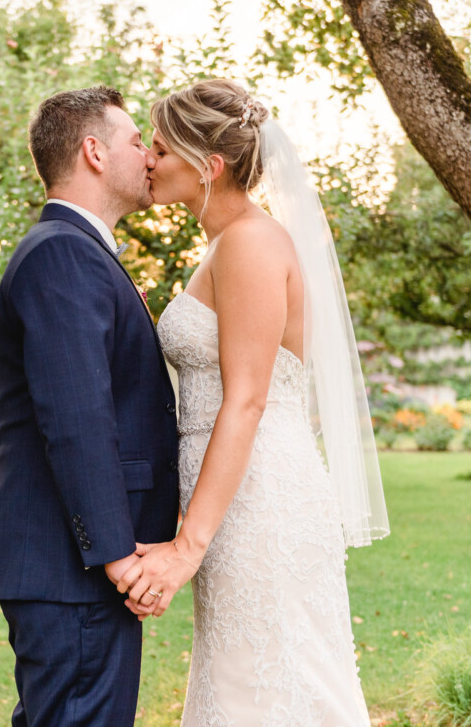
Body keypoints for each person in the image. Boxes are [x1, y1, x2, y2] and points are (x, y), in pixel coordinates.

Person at [116, 79, 389, 725]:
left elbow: (246, 401)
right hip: (237, 495)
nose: (147, 160)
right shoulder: (225, 243)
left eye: (160, 147)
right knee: (247, 681)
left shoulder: (250, 242)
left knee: (275, 686)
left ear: (208, 166)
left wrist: (188, 544)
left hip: (259, 496)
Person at [0, 86, 180, 727]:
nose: (149, 155)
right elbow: (77, 418)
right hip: (75, 567)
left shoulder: (76, 251)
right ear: (94, 151)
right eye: (135, 141)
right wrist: (118, 556)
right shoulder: (63, 253)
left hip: (73, 567)